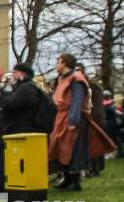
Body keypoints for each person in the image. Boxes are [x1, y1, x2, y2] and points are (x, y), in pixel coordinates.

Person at [48, 53, 115, 191]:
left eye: (58, 62)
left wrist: (73, 121)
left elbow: (77, 101)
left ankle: (74, 181)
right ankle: (66, 179)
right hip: (62, 118)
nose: (57, 65)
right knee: (61, 149)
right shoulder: (63, 79)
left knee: (73, 150)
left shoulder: (76, 79)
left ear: (65, 63)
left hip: (72, 119)